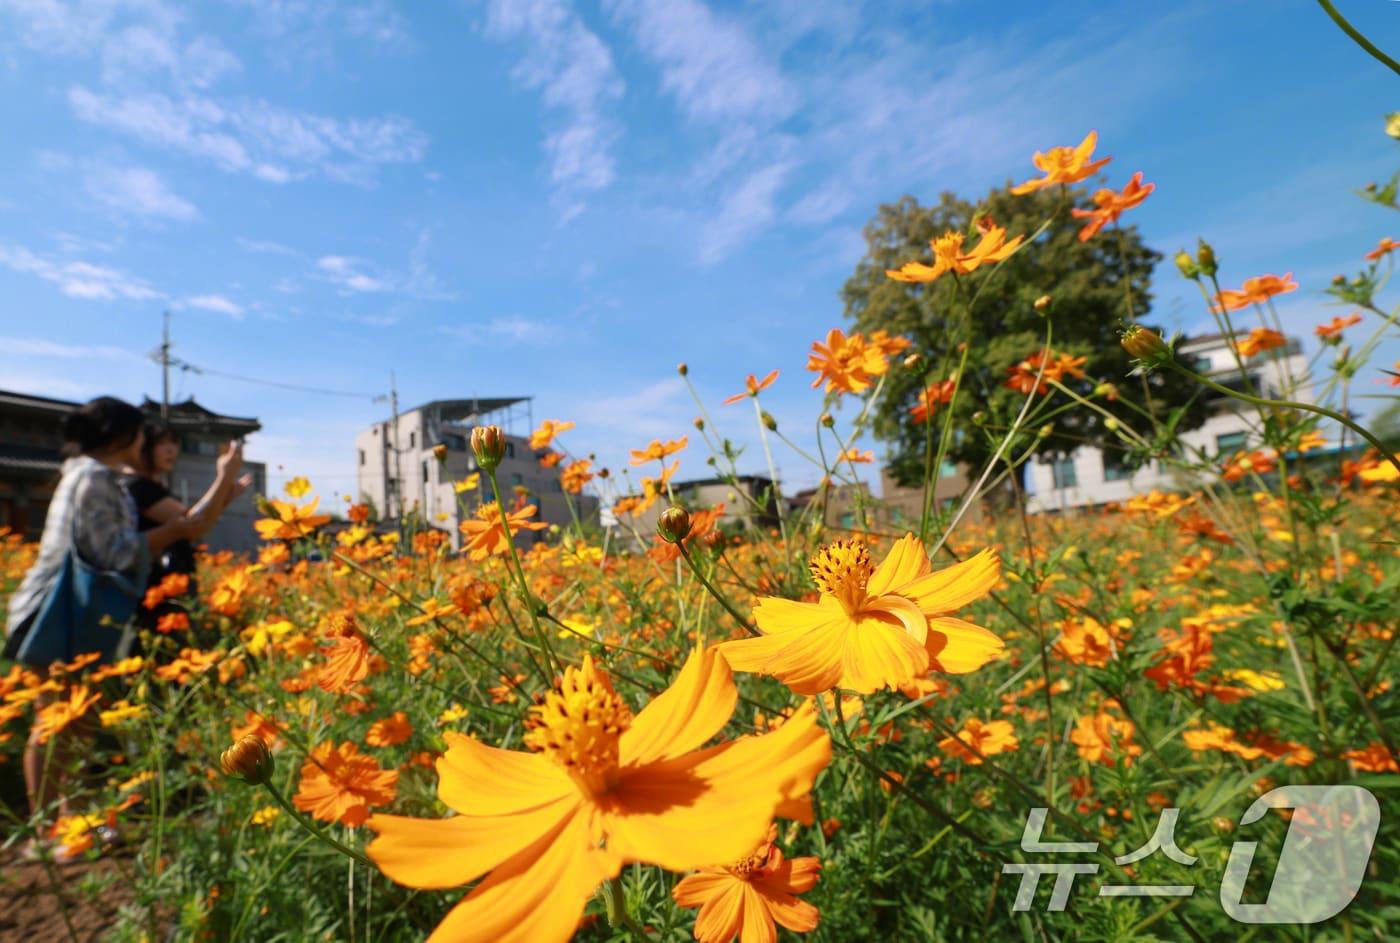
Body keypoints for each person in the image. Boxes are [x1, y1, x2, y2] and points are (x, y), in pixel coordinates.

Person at [2, 397, 202, 854]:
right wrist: (173, 533)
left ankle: (69, 825)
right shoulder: (92, 476)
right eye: (140, 435)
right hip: (54, 613)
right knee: (55, 722)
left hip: (66, 611)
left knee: (76, 720)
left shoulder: (88, 473)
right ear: (124, 438)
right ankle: (47, 832)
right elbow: (111, 552)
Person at [121, 419, 252, 637]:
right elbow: (193, 524)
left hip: (167, 589)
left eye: (174, 443)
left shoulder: (149, 487)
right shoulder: (139, 487)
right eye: (162, 443)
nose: (172, 450)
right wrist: (224, 477)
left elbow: (196, 523)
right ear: (141, 447)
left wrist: (225, 497)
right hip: (158, 592)